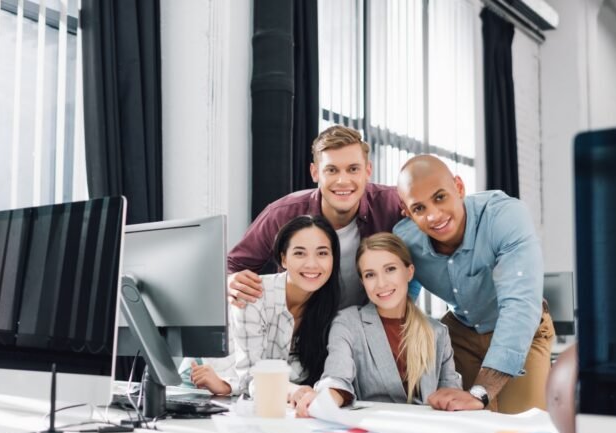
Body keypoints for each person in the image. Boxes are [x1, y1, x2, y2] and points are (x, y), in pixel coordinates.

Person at [394, 155, 554, 414]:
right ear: (407, 211)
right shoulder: (405, 240)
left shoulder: (505, 216)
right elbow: (400, 304)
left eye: (439, 197)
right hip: (460, 333)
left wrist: (481, 391)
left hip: (523, 327)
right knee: (463, 422)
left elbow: (519, 306)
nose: (434, 216)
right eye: (419, 208)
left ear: (458, 187)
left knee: (522, 425)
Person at [227, 125, 403, 310]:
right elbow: (233, 265)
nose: (343, 181)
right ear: (315, 172)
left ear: (368, 171)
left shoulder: (393, 203)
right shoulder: (282, 214)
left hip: (367, 325)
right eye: (332, 170)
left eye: (353, 169)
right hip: (302, 326)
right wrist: (230, 281)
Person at [294, 233, 461, 417]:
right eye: (370, 275)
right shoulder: (347, 323)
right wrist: (327, 398)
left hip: (428, 432)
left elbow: (451, 396)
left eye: (390, 269)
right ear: (362, 282)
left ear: (409, 272)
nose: (381, 283)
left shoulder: (438, 332)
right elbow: (336, 377)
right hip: (372, 432)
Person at [190, 215, 341, 398]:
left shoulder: (329, 309)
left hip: (237, 392)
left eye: (322, 253)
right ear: (283, 259)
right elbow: (252, 377)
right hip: (200, 378)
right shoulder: (253, 294)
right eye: (299, 253)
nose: (312, 264)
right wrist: (294, 391)